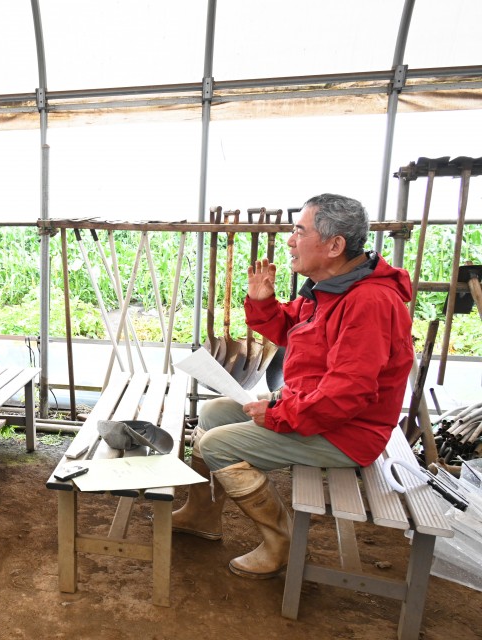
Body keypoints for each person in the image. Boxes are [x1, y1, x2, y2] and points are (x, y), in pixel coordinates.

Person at [172, 193, 414, 579]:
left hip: (350, 431)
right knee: (214, 411)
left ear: (334, 245)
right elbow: (293, 331)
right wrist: (263, 302)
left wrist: (279, 413)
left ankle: (279, 542)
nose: (289, 241)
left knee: (216, 444)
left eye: (300, 232)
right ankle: (202, 514)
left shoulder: (369, 302)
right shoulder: (333, 286)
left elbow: (347, 395)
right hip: (320, 409)